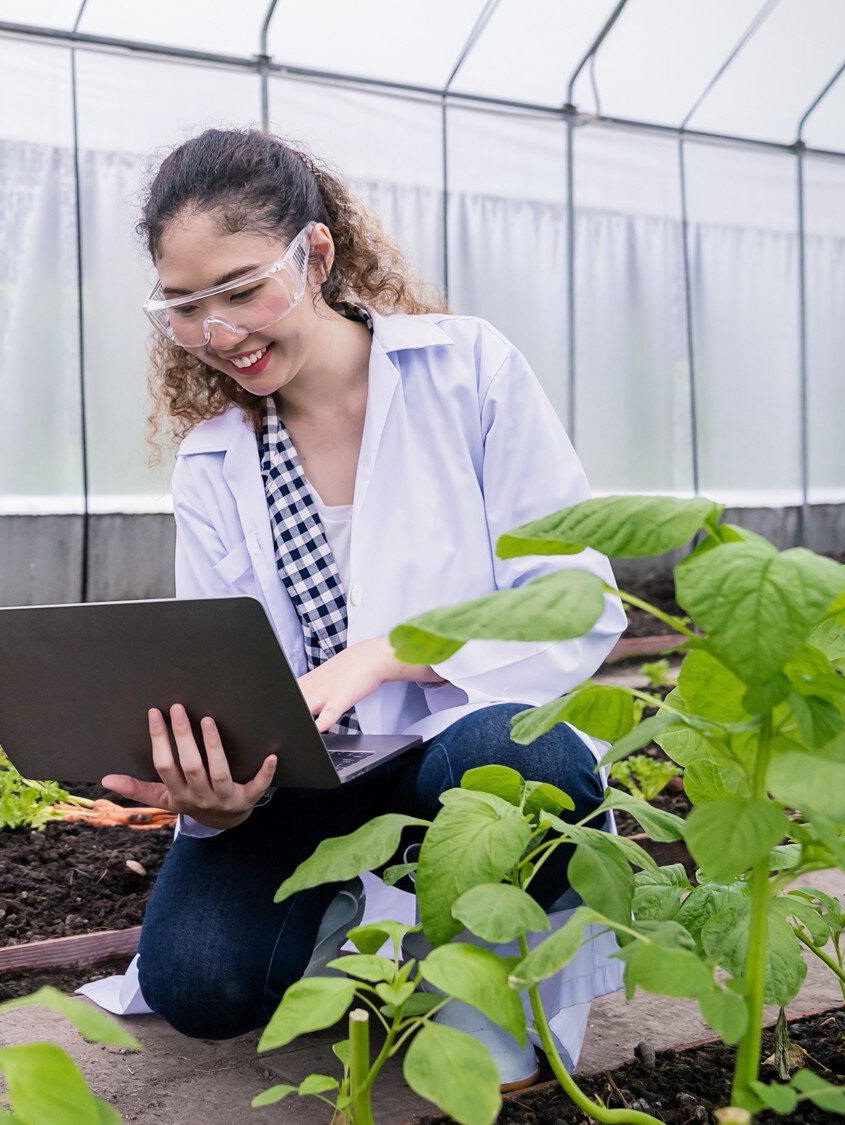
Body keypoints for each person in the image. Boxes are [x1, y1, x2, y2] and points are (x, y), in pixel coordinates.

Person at [85, 128, 629, 1086]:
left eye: (244, 288)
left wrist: (388, 654)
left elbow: (572, 597)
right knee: (197, 980)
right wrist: (211, 789)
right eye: (185, 306)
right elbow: (220, 663)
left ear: (317, 255)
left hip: (465, 743)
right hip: (312, 772)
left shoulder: (468, 373)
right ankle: (365, 922)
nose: (220, 334)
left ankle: (478, 967)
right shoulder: (218, 458)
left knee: (515, 758)